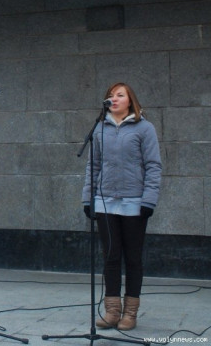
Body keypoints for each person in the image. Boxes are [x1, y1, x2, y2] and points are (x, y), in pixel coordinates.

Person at [82, 82, 162, 331]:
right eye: (110, 95)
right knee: (111, 256)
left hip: (134, 203)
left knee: (133, 258)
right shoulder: (99, 129)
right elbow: (93, 166)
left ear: (130, 100)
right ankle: (112, 311)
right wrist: (88, 198)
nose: (114, 99)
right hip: (105, 202)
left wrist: (149, 200)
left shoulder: (144, 128)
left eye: (120, 95)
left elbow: (153, 166)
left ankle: (130, 313)